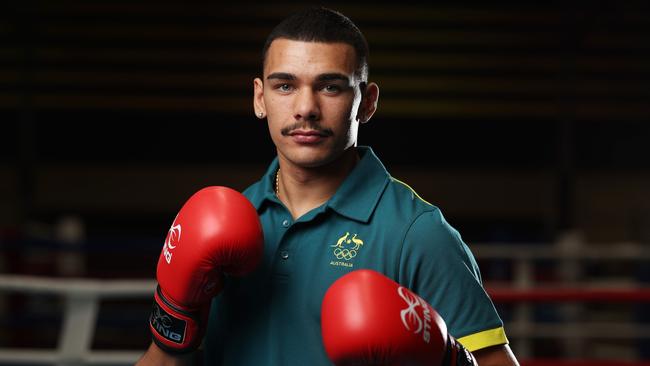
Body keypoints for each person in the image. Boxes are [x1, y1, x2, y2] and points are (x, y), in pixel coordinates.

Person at [137, 7, 519, 366]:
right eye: (285, 86)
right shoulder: (225, 221)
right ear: (259, 98)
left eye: (331, 87)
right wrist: (175, 317)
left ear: (366, 103)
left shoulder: (416, 234)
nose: (306, 108)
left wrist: (446, 358)